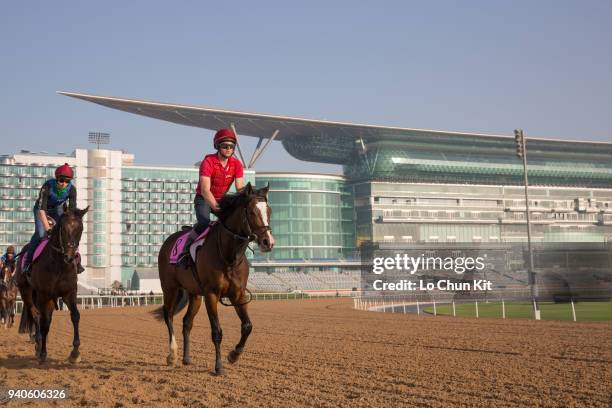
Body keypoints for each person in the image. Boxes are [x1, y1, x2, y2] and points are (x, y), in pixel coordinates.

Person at [178, 128, 244, 266]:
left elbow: (240, 188)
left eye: (231, 147)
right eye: (225, 146)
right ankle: (185, 251)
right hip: (204, 198)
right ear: (217, 146)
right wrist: (217, 208)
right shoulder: (208, 162)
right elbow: (205, 190)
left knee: (235, 224)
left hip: (222, 199)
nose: (228, 149)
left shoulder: (237, 164)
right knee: (204, 223)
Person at [23, 163, 84, 274]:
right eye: (61, 180)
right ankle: (27, 263)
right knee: (41, 235)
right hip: (41, 210)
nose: (64, 184)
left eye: (67, 181)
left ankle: (77, 261)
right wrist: (48, 228)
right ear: (56, 179)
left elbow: (71, 212)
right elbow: (42, 210)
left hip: (57, 209)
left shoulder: (72, 190)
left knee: (69, 232)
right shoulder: (47, 186)